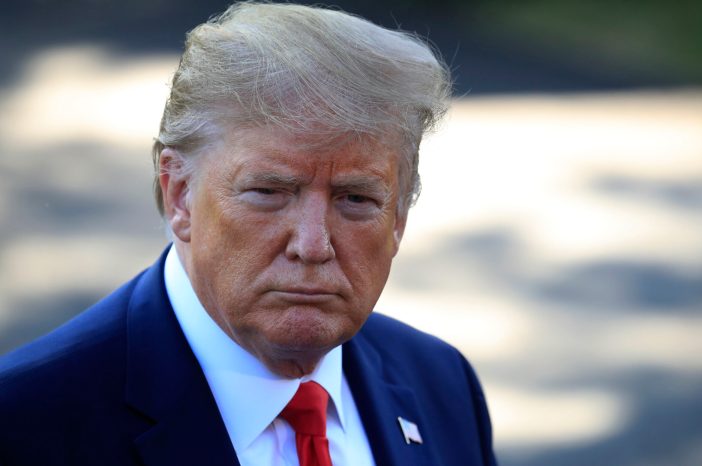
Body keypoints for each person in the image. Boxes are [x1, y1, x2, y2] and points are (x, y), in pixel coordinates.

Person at [0, 2, 496, 465]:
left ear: (398, 220)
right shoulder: (26, 420)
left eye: (356, 199)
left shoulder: (441, 383)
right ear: (179, 195)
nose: (312, 245)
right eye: (268, 191)